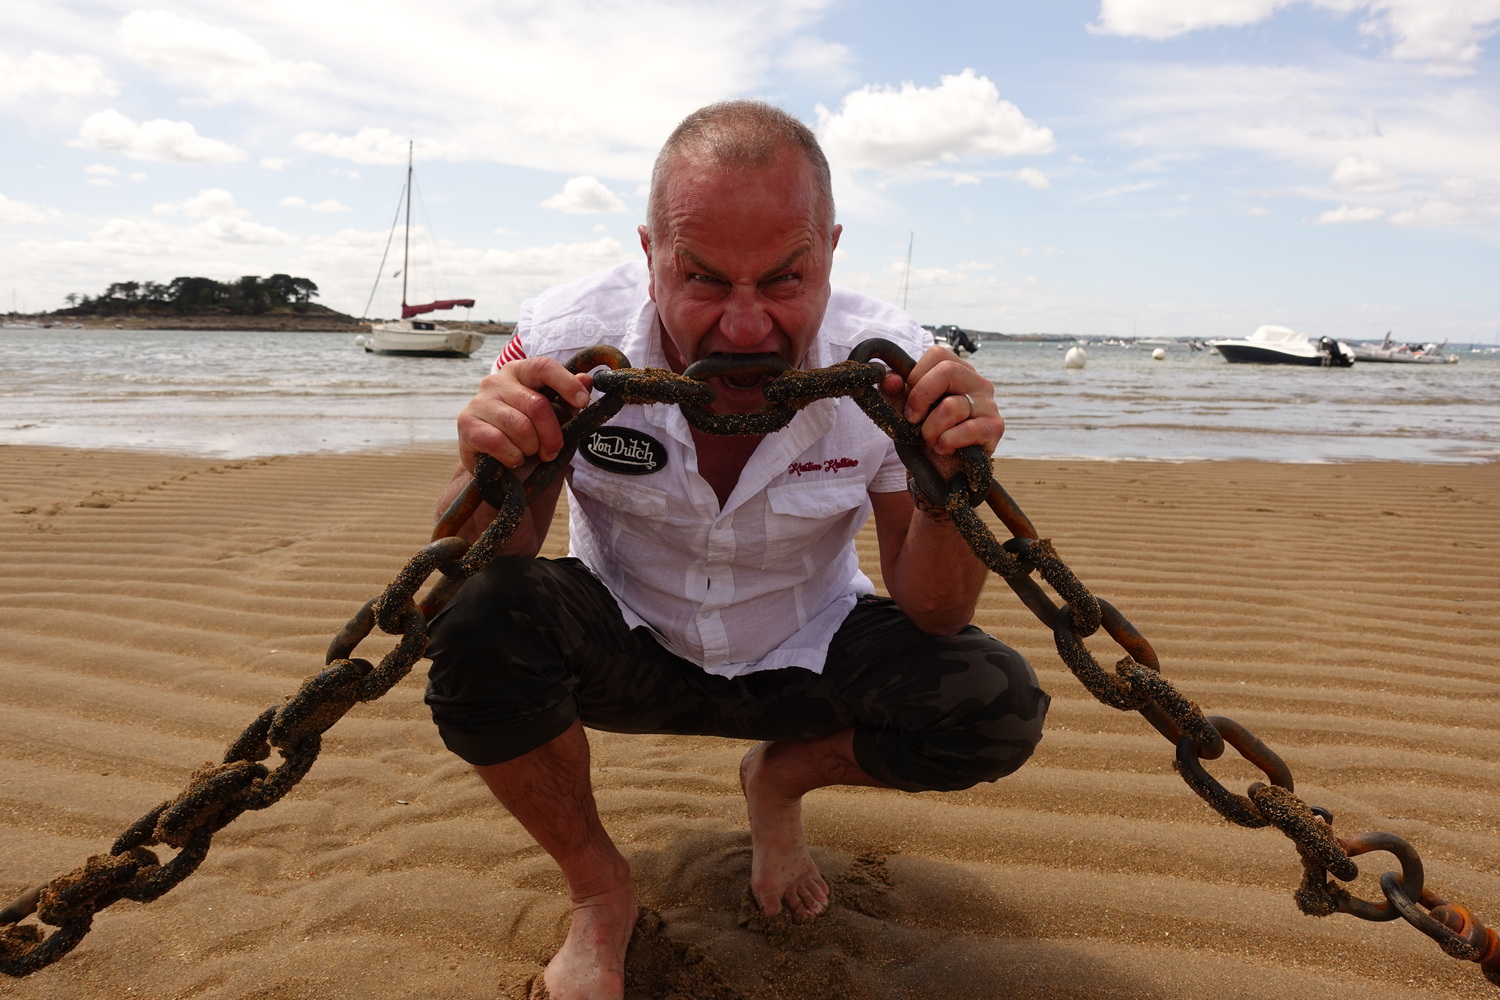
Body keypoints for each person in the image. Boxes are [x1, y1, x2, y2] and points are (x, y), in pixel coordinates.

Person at [425, 100, 1050, 1000]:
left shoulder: (894, 372)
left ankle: (779, 782)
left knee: (991, 702)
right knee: (475, 617)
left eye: (786, 281)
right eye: (706, 280)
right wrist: (486, 458)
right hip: (623, 637)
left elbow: (936, 612)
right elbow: (486, 553)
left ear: (830, 252)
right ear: (651, 257)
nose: (747, 328)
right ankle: (600, 892)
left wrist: (949, 479)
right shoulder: (567, 343)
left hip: (803, 644)